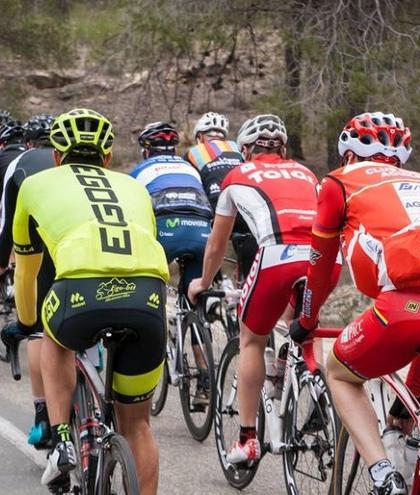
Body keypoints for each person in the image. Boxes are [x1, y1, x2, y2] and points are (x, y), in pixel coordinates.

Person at [290, 112, 420, 494]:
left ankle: (383, 475)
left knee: (339, 372)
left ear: (347, 156)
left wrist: (307, 318)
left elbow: (319, 266)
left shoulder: (338, 181)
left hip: (407, 307)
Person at [10, 109, 168, 494]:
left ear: (56, 156)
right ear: (108, 158)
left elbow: (27, 271)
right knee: (138, 425)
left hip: (79, 292)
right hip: (147, 296)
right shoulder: (134, 187)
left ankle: (62, 438)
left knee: (52, 336)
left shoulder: (35, 183)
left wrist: (28, 320)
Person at [186, 114, 332, 463]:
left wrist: (203, 283)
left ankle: (247, 438)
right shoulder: (307, 173)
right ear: (282, 148)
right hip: (323, 258)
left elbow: (217, 244)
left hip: (277, 254)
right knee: (306, 325)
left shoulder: (236, 175)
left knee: (252, 338)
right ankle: (310, 391)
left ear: (246, 149)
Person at [131, 121, 214, 406]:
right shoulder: (190, 168)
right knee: (194, 302)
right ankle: (204, 379)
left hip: (166, 229)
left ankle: (152, 349)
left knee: (146, 289)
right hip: (203, 230)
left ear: (146, 151)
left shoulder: (140, 172)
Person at [0, 113, 56, 449]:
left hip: (36, 247)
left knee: (35, 330)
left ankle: (42, 415)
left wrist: (1, 265)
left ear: (29, 141)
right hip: (82, 246)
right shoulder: (73, 161)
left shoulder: (18, 161)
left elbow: (7, 224)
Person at [183, 111, 256, 277]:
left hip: (217, 211)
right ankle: (248, 283)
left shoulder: (193, 152)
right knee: (249, 262)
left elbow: (191, 188)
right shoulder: (238, 148)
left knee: (208, 247)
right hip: (247, 208)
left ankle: (213, 284)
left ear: (201, 136)